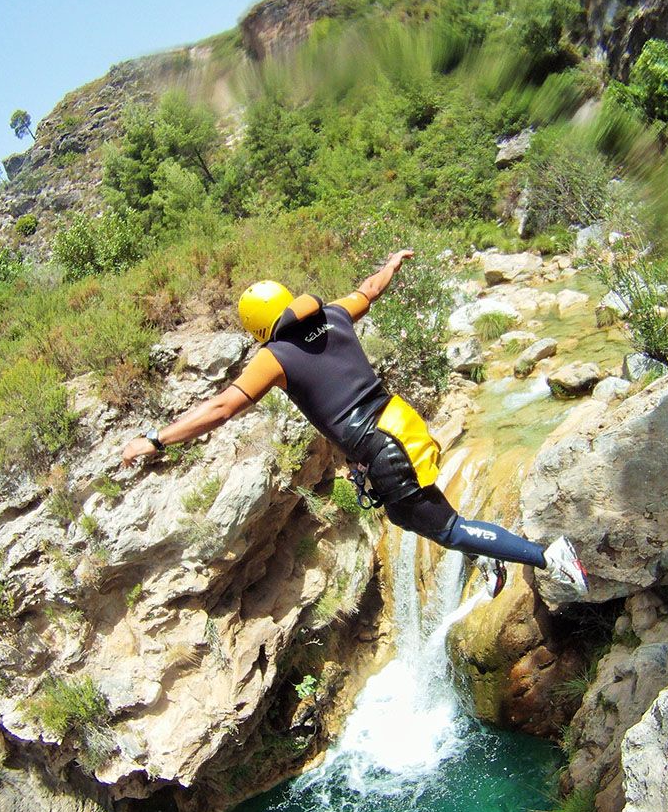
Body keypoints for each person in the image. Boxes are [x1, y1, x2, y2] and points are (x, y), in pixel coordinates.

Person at [121, 249, 587, 597]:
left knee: (441, 527)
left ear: (255, 327)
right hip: (399, 422)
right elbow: (371, 290)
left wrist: (156, 440)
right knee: (420, 512)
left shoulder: (273, 358)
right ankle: (485, 554)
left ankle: (547, 556)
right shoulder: (335, 313)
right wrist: (392, 263)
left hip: (381, 446)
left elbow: (221, 408)